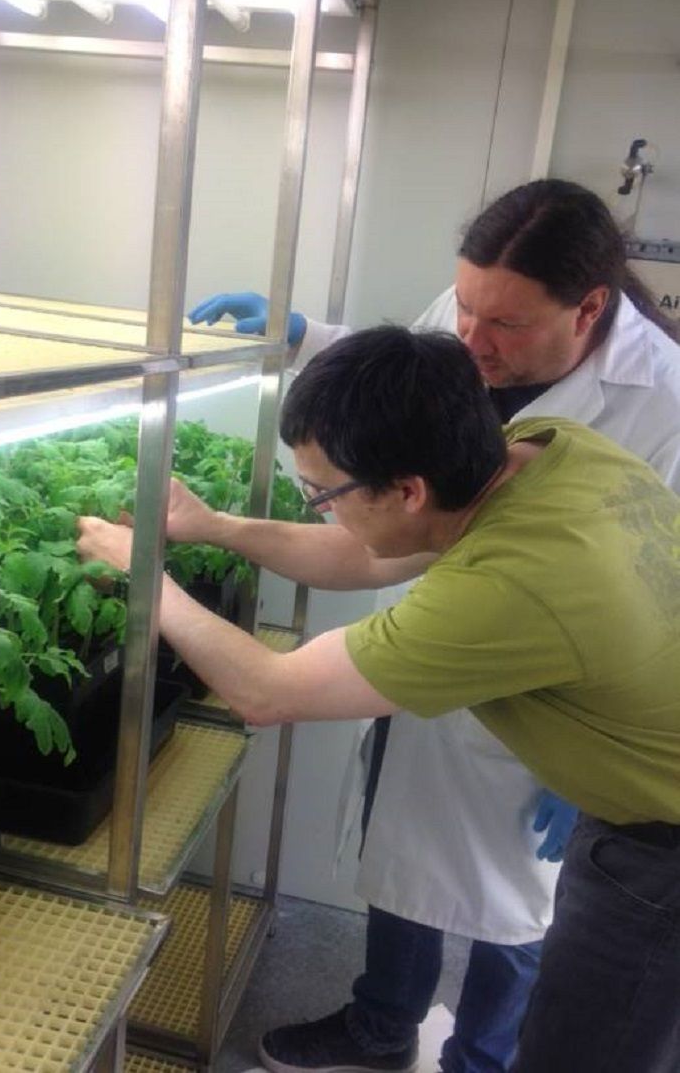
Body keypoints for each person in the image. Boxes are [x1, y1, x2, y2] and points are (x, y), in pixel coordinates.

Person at [77, 324, 680, 1073]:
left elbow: (267, 690)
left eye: (320, 492)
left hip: (663, 841)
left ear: (406, 489)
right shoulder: (541, 451)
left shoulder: (509, 581)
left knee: (588, 1049)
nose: (319, 509)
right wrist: (214, 528)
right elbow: (367, 549)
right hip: (640, 789)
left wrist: (148, 578)